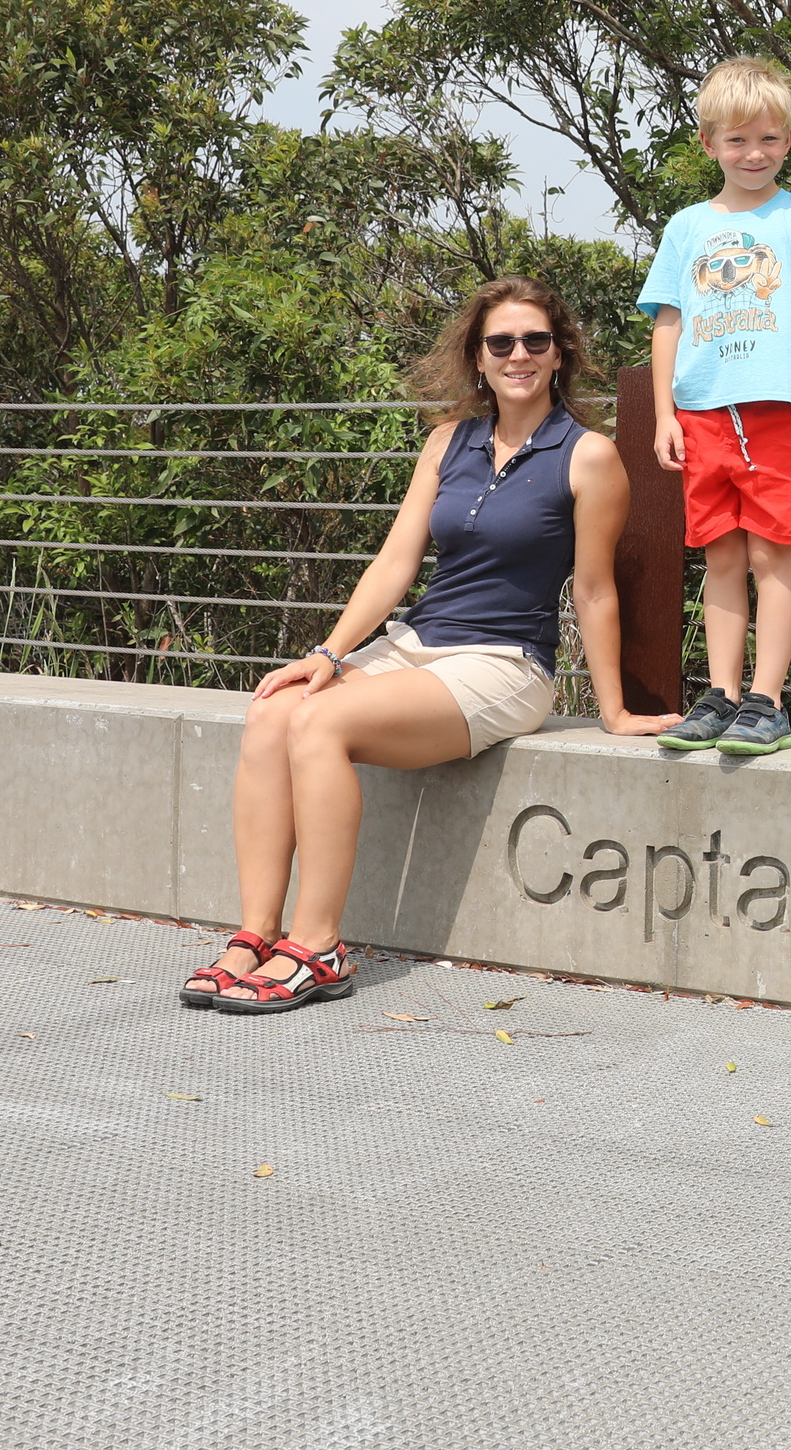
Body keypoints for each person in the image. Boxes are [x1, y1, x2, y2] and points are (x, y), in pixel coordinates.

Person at [186, 276, 675, 1015]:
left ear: (559, 355)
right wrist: (329, 654)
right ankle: (255, 937)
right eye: (500, 342)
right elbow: (395, 563)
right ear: (478, 357)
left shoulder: (589, 456)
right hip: (419, 644)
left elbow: (594, 590)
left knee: (321, 724)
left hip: (506, 664)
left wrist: (615, 709)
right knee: (275, 711)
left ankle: (317, 948)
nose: (518, 354)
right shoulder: (448, 441)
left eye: (534, 341)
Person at [638, 54, 791, 757]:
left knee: (772, 554)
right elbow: (667, 321)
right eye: (737, 140)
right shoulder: (686, 227)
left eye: (768, 138)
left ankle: (767, 699)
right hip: (704, 414)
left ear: (789, 140)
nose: (753, 153)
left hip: (776, 413)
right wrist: (667, 415)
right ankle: (721, 695)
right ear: (709, 144)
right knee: (721, 557)